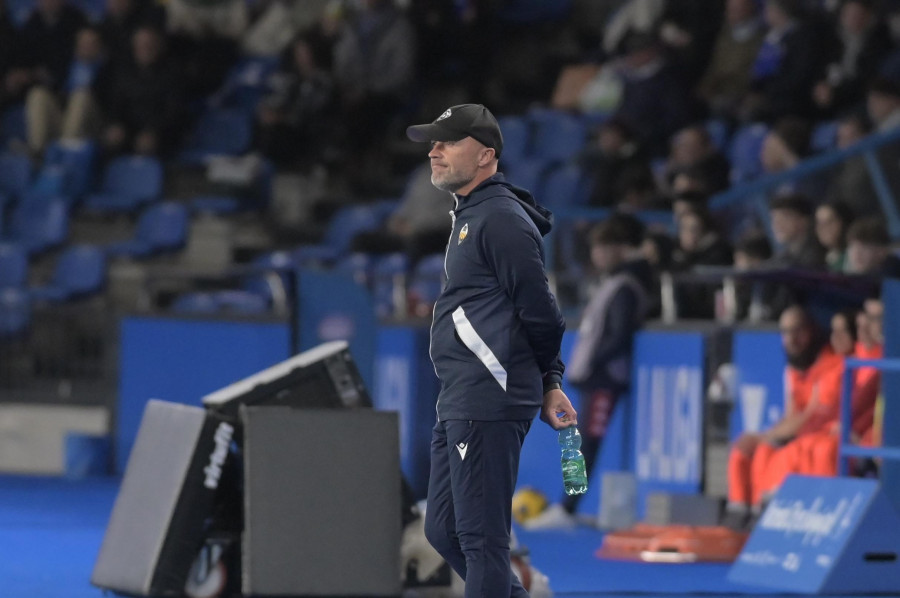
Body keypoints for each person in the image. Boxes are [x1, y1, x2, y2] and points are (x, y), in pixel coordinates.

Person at [405, 103, 577, 597]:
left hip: (489, 394)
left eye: (448, 141)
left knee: (483, 542)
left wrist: (550, 381)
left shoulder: (498, 219)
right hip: (463, 394)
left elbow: (542, 312)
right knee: (443, 529)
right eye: (433, 141)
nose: (434, 150)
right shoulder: (472, 215)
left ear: (485, 156)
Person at [524, 212, 653, 530]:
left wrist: (594, 364)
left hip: (605, 379)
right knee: (580, 442)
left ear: (620, 249)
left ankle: (568, 508)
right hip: (596, 378)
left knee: (586, 444)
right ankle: (567, 506)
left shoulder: (624, 287)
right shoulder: (610, 284)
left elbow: (619, 336)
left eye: (603, 247)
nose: (596, 255)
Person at [725, 304, 845, 527]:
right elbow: (791, 415)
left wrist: (761, 437)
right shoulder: (792, 369)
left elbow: (809, 417)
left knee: (769, 450)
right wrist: (762, 437)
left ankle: (765, 513)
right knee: (746, 451)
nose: (791, 339)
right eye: (786, 332)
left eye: (797, 331)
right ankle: (741, 517)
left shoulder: (830, 365)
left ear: (810, 332)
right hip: (802, 434)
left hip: (822, 435)